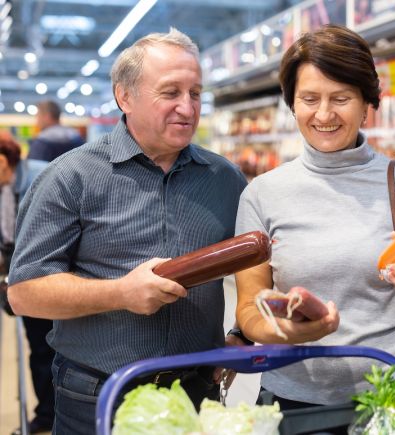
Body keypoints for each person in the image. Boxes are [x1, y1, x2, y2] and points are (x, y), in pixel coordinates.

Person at [7, 28, 248, 435]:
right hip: (98, 394)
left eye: (195, 93)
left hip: (194, 393)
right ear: (125, 96)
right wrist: (120, 293)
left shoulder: (225, 179)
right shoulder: (70, 177)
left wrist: (241, 333)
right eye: (170, 92)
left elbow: (252, 268)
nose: (187, 108)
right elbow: (24, 292)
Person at [234, 24, 395, 412]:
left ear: (367, 103)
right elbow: (249, 309)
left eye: (341, 98)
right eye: (310, 99)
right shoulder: (262, 194)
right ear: (292, 104)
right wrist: (283, 330)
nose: (325, 114)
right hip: (296, 398)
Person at [0, 132, 52, 434]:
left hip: (46, 274)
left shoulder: (41, 176)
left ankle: (53, 414)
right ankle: (46, 413)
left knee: (50, 347)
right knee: (38, 347)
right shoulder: (5, 184)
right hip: (15, 270)